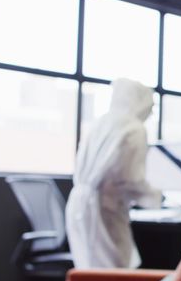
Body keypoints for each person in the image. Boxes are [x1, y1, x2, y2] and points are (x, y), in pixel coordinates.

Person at [66, 78, 162, 269]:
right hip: (104, 208)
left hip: (78, 204)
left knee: (87, 273)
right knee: (113, 276)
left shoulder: (101, 122)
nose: (150, 112)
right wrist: (157, 198)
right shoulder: (134, 128)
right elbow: (131, 179)